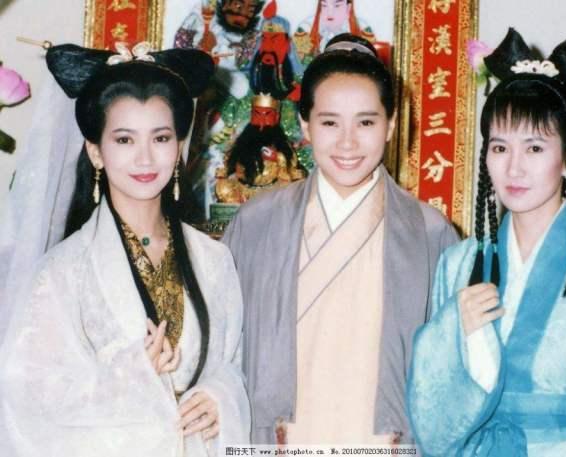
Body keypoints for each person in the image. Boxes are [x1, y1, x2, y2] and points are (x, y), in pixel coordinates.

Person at [0, 42, 249, 456]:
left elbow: (232, 364)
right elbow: (25, 402)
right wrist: (129, 377)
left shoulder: (213, 260)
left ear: (178, 146)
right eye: (124, 140)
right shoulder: (62, 272)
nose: (145, 158)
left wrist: (220, 395)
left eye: (161, 137)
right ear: (96, 152)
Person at [407, 28, 566, 456]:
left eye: (534, 148)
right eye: (500, 148)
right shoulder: (457, 264)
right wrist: (451, 330)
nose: (513, 168)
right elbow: (431, 420)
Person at [222, 33, 458, 445]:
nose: (348, 142)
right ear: (305, 125)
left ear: (391, 125)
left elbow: (450, 372)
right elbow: (221, 352)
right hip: (278, 441)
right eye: (330, 122)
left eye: (366, 122)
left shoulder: (430, 233)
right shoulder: (255, 223)